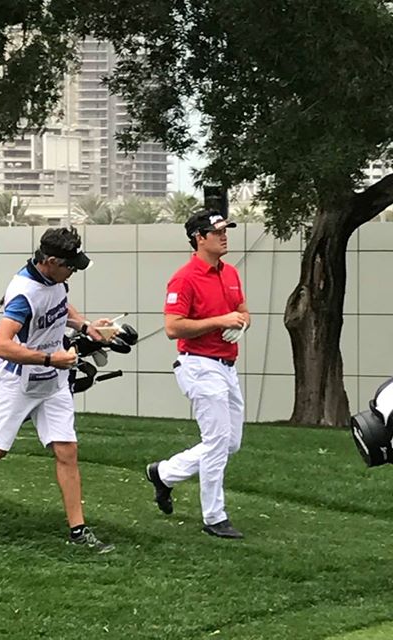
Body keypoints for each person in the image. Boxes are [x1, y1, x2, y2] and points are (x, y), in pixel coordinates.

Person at [0, 226, 116, 553]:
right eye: (70, 265)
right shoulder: (22, 293)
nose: (73, 271)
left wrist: (87, 326)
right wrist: (49, 357)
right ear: (51, 261)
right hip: (20, 382)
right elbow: (2, 346)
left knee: (67, 451)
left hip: (53, 382)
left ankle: (78, 530)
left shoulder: (54, 280)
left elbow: (60, 306)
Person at [146, 210, 250, 539]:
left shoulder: (231, 273)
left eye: (225, 230)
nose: (224, 235)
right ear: (199, 238)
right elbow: (172, 328)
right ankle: (214, 517)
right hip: (199, 365)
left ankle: (164, 474)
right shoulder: (185, 278)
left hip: (226, 366)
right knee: (218, 442)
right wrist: (220, 321)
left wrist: (241, 324)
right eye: (217, 231)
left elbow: (243, 312)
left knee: (229, 443)